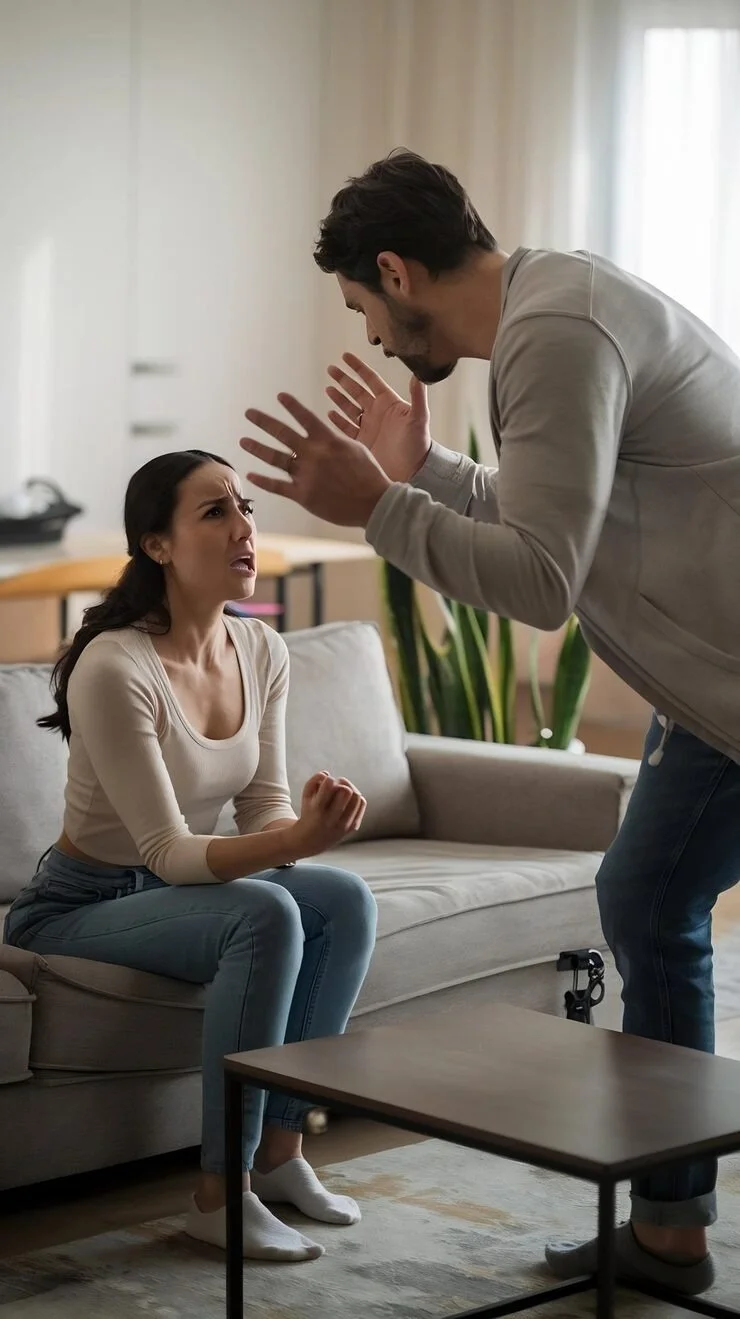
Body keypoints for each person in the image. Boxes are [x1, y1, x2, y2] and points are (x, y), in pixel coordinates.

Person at [240, 149, 740, 1296]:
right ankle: (669, 1218)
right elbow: (562, 518)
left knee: (648, 900)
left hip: (722, 678)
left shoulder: (551, 338)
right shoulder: (554, 302)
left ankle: (669, 1214)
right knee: (648, 898)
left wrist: (375, 503)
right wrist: (425, 474)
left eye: (362, 306)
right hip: (703, 687)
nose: (368, 335)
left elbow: (537, 582)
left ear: (396, 269)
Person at [3, 449, 377, 1263]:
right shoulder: (113, 664)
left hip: (177, 891)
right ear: (158, 545)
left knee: (343, 899)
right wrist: (291, 844)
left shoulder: (262, 651)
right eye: (215, 512)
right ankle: (220, 1192)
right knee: (269, 911)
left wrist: (307, 825)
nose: (244, 526)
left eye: (244, 506)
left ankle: (282, 1155)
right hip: (81, 906)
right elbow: (169, 852)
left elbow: (263, 808)